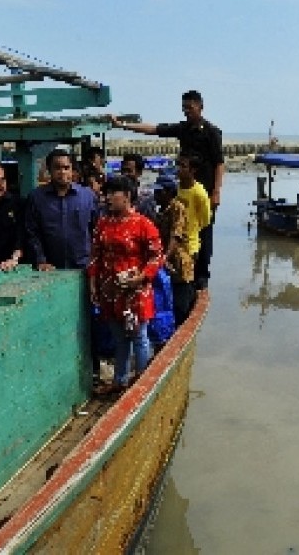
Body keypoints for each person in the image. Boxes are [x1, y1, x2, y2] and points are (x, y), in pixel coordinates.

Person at [109, 89, 224, 289]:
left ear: (200, 107)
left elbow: (219, 164)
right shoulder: (183, 128)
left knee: (204, 231)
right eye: (184, 108)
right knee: (180, 228)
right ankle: (180, 266)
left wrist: (216, 191)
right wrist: (123, 125)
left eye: (190, 107)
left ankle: (202, 275)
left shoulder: (212, 132)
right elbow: (154, 129)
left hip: (204, 190)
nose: (186, 111)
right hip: (184, 187)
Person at [88, 176, 163, 396]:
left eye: (113, 193)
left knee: (139, 337)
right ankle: (120, 380)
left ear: (128, 196)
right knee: (119, 338)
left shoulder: (143, 224)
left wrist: (141, 278)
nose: (107, 197)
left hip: (135, 292)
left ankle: (142, 385)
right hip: (110, 292)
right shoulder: (103, 223)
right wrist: (93, 282)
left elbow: (156, 256)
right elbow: (95, 256)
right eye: (107, 193)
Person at [25, 149, 98, 270]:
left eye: (66, 167)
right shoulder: (36, 198)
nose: (62, 172)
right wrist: (40, 260)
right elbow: (32, 233)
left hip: (84, 267)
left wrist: (94, 261)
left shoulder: (88, 196)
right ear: (49, 170)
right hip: (49, 269)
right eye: (57, 168)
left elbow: (97, 230)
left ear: (72, 170)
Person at [153, 173, 195, 326]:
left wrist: (164, 257)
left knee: (181, 307)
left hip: (179, 264)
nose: (155, 195)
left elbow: (175, 236)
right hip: (166, 263)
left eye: (159, 192)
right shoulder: (160, 211)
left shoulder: (177, 208)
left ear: (169, 192)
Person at [175, 153, 212, 270]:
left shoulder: (199, 193)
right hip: (174, 243)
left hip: (189, 246)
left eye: (183, 166)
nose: (179, 169)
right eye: (178, 165)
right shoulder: (174, 188)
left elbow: (205, 221)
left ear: (193, 170)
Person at [122, 152, 157, 223]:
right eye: (123, 170)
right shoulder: (116, 195)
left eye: (129, 171)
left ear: (139, 172)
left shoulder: (146, 199)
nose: (125, 174)